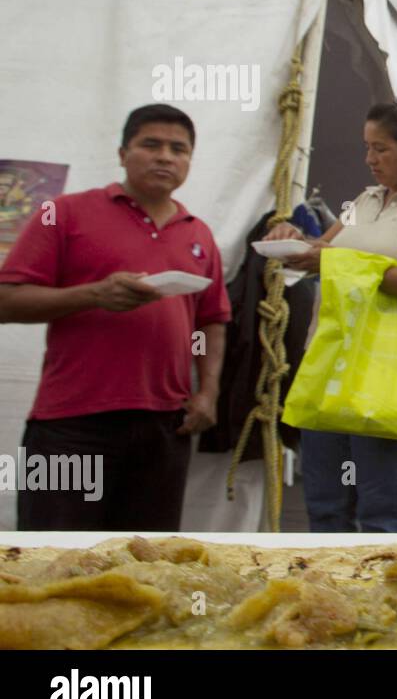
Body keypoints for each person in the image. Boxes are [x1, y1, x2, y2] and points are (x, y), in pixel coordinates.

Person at [0, 104, 230, 530]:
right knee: (52, 561)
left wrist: (208, 393)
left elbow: (212, 320)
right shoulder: (65, 213)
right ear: (123, 153)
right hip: (71, 423)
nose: (165, 156)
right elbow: (6, 300)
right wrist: (94, 294)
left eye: (178, 149)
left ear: (189, 162)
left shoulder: (198, 234)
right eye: (151, 144)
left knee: (145, 567)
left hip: (165, 426)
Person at [265, 99, 397, 532]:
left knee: (382, 508)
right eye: (367, 148)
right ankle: (325, 597)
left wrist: (332, 263)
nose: (369, 159)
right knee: (324, 504)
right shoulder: (363, 199)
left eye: (381, 149)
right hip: (330, 361)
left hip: (385, 370)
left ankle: (381, 597)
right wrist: (293, 238)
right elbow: (324, 251)